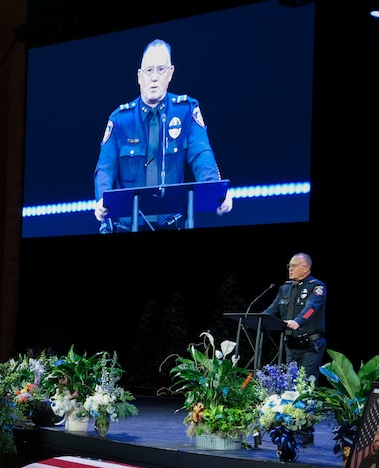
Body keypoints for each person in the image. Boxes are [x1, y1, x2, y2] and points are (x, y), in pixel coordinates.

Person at [93, 38, 231, 234]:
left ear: (170, 73)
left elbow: (201, 155)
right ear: (139, 76)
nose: (154, 77)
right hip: (126, 227)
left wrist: (215, 190)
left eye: (161, 70)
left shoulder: (186, 111)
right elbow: (105, 168)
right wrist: (101, 199)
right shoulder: (120, 119)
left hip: (171, 226)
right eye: (149, 71)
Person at [262, 253, 327, 382]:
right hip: (291, 344)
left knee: (306, 384)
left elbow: (311, 308)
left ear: (306, 268)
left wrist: (298, 321)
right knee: (289, 383)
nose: (290, 269)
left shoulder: (316, 287)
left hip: (310, 345)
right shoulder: (285, 288)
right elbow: (272, 309)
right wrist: (259, 319)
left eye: (294, 266)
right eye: (289, 266)